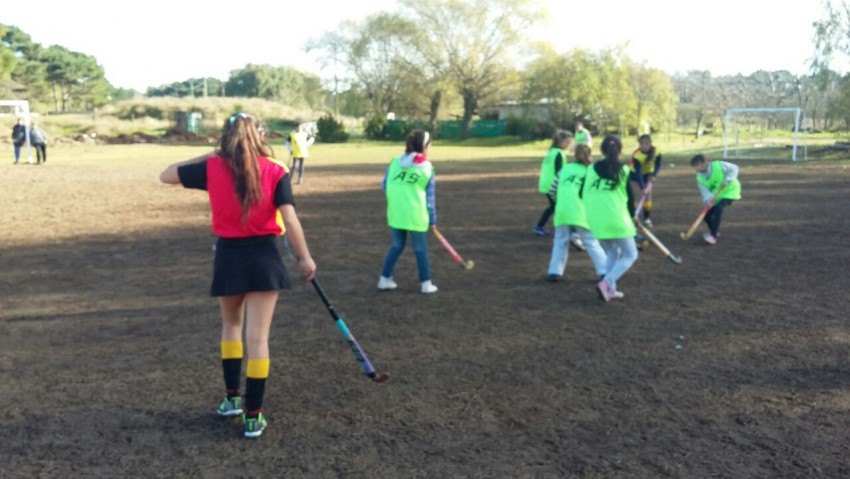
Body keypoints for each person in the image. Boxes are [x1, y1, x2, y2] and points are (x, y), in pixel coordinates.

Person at [159, 111, 317, 438]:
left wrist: (214, 154)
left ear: (226, 137)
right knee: (258, 339)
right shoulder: (276, 169)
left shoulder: (213, 167)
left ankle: (232, 399)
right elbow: (290, 219)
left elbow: (166, 175)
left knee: (231, 327)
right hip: (264, 258)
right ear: (260, 135)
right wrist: (305, 258)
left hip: (229, 257)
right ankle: (253, 416)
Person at [377, 129, 439, 294]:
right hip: (416, 215)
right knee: (420, 249)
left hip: (396, 213)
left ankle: (384, 279)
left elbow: (384, 185)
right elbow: (430, 199)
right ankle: (426, 283)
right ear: (424, 147)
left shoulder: (394, 162)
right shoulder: (427, 168)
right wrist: (432, 220)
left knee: (397, 245)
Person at [582, 135, 638, 302]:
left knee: (613, 252)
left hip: (596, 220)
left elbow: (581, 193)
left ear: (602, 150)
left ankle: (611, 290)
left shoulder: (590, 169)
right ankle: (606, 283)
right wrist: (633, 216)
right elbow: (630, 199)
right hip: (617, 220)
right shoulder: (624, 170)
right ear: (619, 150)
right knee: (630, 255)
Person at [546, 144, 607, 282]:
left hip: (562, 211)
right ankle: (604, 271)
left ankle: (554, 271)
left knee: (560, 241)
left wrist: (559, 203)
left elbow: (552, 190)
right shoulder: (592, 171)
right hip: (581, 211)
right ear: (589, 154)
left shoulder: (565, 169)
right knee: (591, 242)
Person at [690, 154, 742, 245]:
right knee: (707, 215)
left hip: (731, 190)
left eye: (698, 165)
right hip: (717, 195)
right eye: (695, 166)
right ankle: (714, 231)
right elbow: (705, 193)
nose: (697, 168)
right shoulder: (700, 177)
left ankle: (713, 236)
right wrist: (709, 201)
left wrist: (728, 180)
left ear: (705, 162)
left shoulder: (718, 165)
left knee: (718, 208)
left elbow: (734, 168)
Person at [533, 130, 572, 236]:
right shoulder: (559, 153)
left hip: (546, 184)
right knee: (561, 206)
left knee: (554, 206)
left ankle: (539, 226)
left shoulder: (551, 152)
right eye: (567, 142)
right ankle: (570, 230)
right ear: (560, 141)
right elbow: (559, 172)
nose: (568, 145)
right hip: (553, 185)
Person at [629, 134, 662, 228]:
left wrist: (654, 175)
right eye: (642, 144)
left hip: (648, 174)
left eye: (646, 143)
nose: (644, 146)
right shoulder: (637, 155)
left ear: (650, 143)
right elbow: (638, 171)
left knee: (647, 196)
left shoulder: (656, 151)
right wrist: (642, 187)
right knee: (636, 196)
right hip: (635, 175)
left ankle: (647, 219)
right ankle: (634, 218)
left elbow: (658, 163)